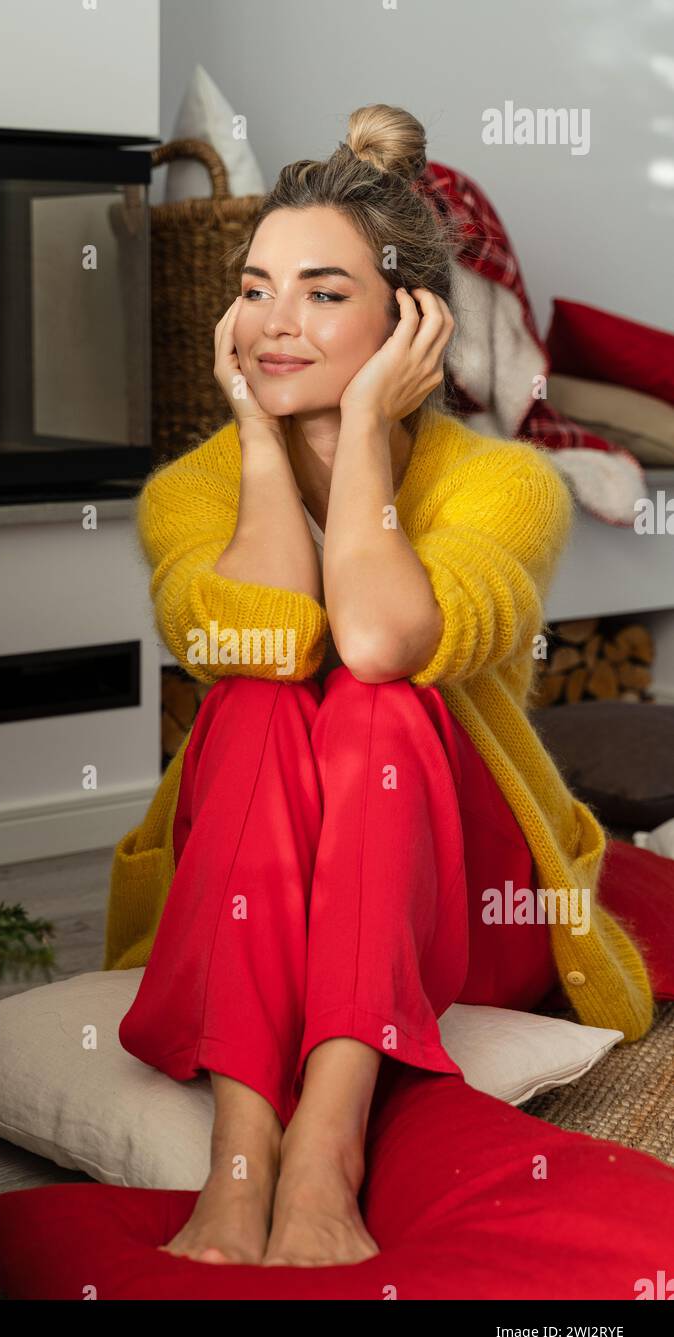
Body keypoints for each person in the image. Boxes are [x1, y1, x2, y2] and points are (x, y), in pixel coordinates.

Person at [108, 103, 655, 1268]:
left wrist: (360, 432)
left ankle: (329, 1145)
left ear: (411, 319)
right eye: (255, 287)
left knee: (376, 700)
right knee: (258, 697)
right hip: (262, 873)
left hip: (455, 884)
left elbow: (374, 640)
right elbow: (260, 641)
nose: (271, 323)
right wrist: (262, 448)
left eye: (320, 291)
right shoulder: (189, 492)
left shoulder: (505, 485)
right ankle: (246, 1146)